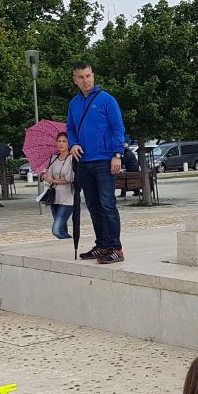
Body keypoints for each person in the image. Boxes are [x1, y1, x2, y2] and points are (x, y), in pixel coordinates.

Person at [66, 61, 126, 264]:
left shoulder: (106, 100)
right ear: (75, 80)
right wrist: (73, 144)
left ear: (93, 76)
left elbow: (118, 127)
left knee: (107, 204)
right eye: (81, 77)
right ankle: (102, 245)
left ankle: (116, 247)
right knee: (93, 205)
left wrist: (116, 154)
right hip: (83, 161)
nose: (86, 80)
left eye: (88, 76)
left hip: (104, 160)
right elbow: (71, 128)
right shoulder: (73, 104)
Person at [42, 131, 75, 239]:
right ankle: (68, 247)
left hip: (67, 199)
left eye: (64, 141)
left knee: (56, 230)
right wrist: (46, 176)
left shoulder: (72, 158)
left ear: (69, 144)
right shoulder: (54, 158)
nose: (61, 144)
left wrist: (54, 180)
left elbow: (70, 178)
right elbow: (50, 178)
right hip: (54, 198)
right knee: (62, 229)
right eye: (59, 141)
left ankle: (72, 241)